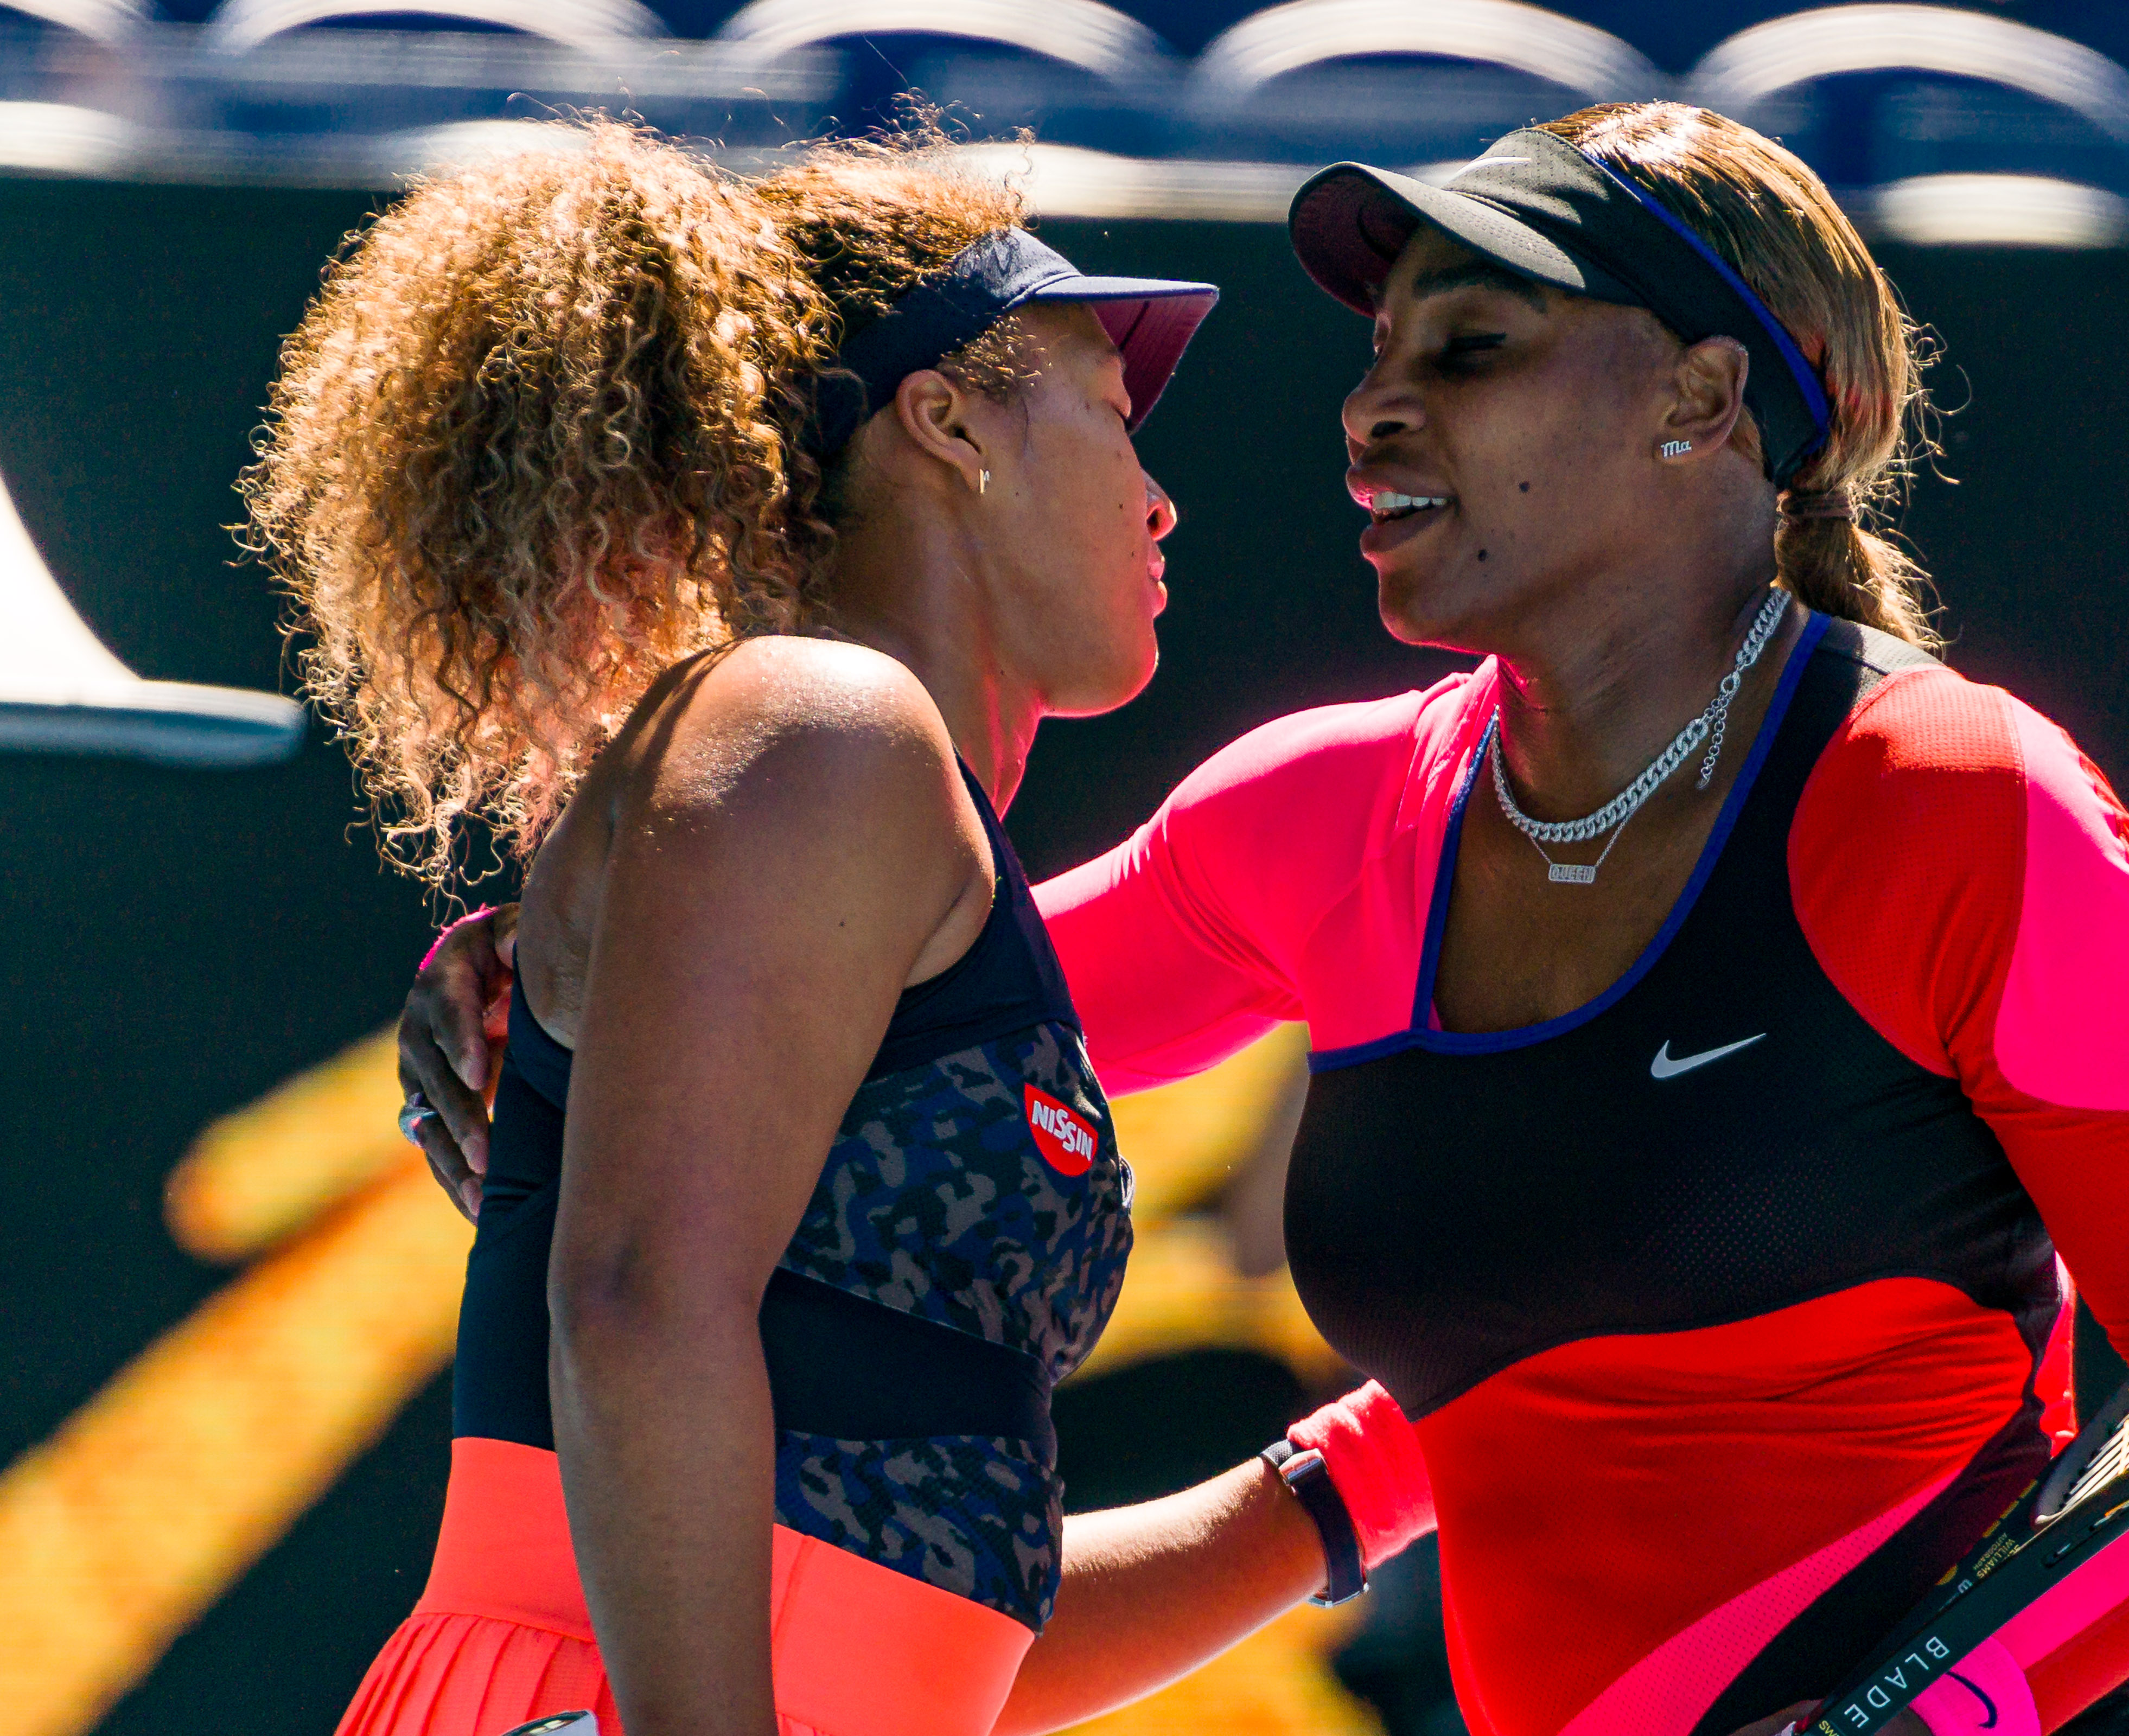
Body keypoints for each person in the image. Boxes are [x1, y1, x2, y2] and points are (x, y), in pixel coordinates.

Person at [400, 104, 2129, 1736]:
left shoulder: (1958, 801)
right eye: (1376, 355)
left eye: (1471, 347)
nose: (1372, 410)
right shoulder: (1319, 817)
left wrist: (1949, 1715)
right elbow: (819, 1015)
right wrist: (539, 966)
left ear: (1703, 399)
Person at [245, 123, 1387, 1736]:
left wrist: (1385, 1468)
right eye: (1119, 425)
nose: (1162, 503)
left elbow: (939, 1626)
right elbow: (637, 1305)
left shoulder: (840, 789)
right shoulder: (821, 725)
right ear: (950, 421)